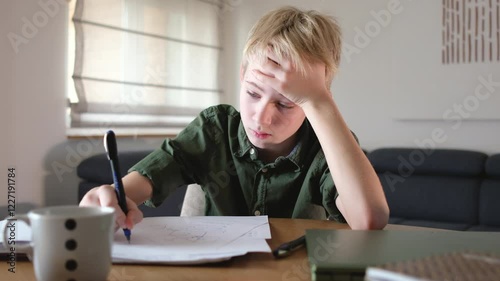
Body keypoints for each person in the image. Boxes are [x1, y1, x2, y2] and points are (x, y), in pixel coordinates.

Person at [80, 6, 389, 231]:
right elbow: (139, 184)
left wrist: (319, 102)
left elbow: (369, 219)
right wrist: (107, 198)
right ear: (242, 75)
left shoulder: (328, 149)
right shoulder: (215, 129)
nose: (262, 117)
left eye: (285, 103)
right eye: (253, 93)